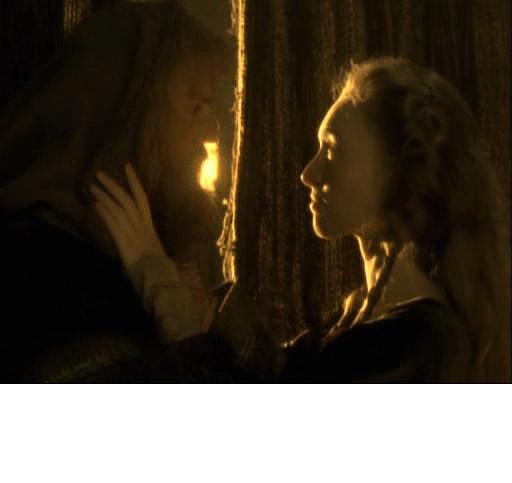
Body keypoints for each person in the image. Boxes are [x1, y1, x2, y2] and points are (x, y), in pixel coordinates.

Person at [92, 57, 510, 383]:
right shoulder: (363, 320)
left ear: (399, 174)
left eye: (333, 150)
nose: (308, 174)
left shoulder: (414, 343)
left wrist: (155, 275)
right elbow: (273, 375)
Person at [0, 0, 256, 382]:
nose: (210, 133)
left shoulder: (135, 260)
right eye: (197, 107)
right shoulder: (47, 280)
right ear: (131, 119)